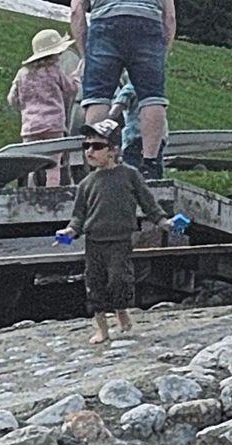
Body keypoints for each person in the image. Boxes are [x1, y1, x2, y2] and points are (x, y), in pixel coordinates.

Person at [59, 125, 169, 344]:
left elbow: (147, 202)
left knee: (119, 279)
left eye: (97, 146)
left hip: (120, 239)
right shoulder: (86, 183)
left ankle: (122, 312)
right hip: (94, 240)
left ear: (113, 150)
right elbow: (79, 215)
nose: (90, 151)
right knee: (95, 283)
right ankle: (101, 327)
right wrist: (70, 230)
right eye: (86, 146)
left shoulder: (129, 175)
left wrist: (162, 221)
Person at [72, 0, 175, 179]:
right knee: (152, 98)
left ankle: (98, 164)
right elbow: (170, 16)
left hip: (105, 22)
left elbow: (76, 10)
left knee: (97, 98)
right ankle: (150, 164)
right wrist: (161, 53)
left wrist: (84, 55)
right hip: (147, 21)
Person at [9, 29, 79, 184]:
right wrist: (76, 77)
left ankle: (30, 189)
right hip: (53, 126)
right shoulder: (54, 71)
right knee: (53, 165)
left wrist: (23, 108)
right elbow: (71, 89)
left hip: (30, 127)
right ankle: (52, 191)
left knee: (30, 163)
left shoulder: (22, 73)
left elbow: (12, 98)